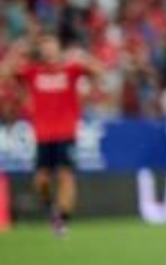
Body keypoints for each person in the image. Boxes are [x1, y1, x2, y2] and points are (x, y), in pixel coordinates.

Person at [1, 30, 108, 237]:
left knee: (66, 176)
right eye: (44, 45)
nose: (47, 48)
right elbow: (3, 74)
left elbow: (101, 71)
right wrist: (15, 51)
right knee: (40, 180)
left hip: (66, 132)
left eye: (51, 44)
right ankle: (52, 210)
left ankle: (63, 221)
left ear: (58, 47)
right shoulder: (33, 72)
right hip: (42, 135)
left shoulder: (71, 69)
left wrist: (83, 56)